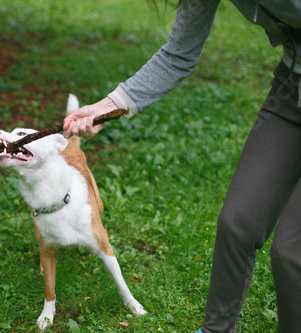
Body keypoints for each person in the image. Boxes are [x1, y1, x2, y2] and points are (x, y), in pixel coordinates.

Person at [63, 1, 301, 332]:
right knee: (237, 224)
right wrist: (106, 107)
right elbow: (177, 55)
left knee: (292, 254)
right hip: (291, 93)